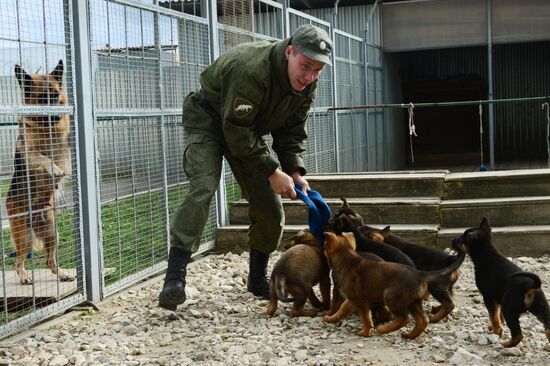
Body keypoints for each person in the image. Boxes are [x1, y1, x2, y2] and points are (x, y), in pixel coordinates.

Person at [158, 24, 333, 310]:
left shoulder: (307, 83)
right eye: (305, 66)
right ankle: (174, 278)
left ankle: (256, 278)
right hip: (210, 121)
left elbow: (292, 132)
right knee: (203, 187)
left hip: (246, 130)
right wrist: (271, 171)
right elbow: (235, 129)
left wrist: (294, 172)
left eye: (318, 70)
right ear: (290, 52)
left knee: (269, 206)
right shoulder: (251, 69)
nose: (310, 76)